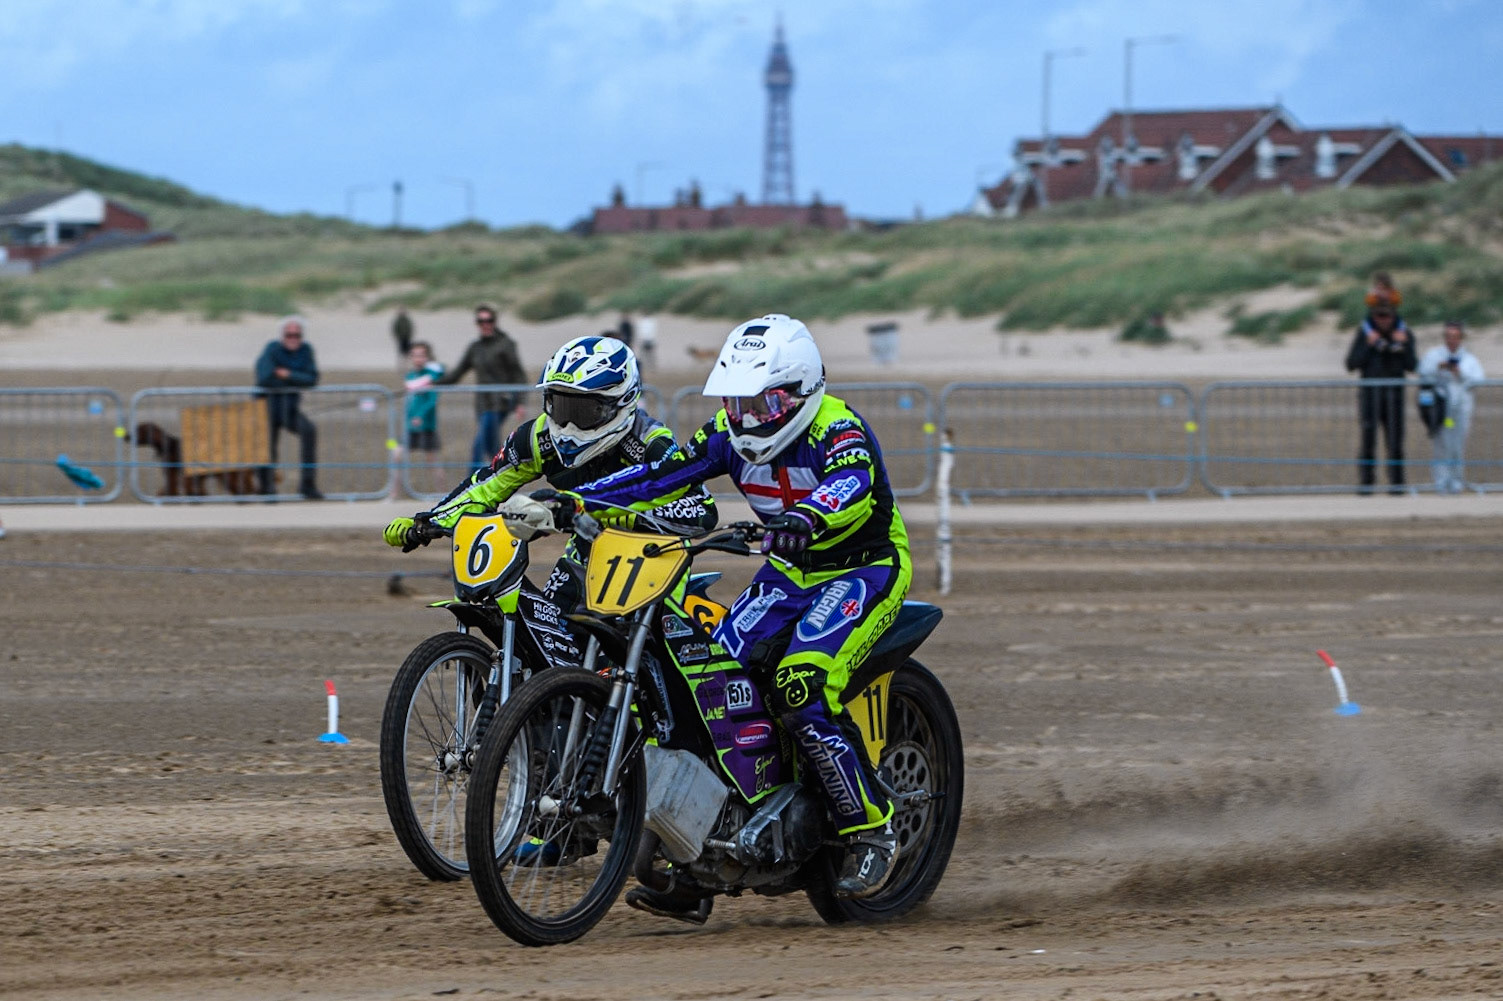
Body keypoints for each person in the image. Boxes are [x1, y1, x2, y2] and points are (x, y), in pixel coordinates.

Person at [546, 314, 908, 910]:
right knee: (715, 683)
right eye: (735, 401)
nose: (745, 416)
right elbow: (658, 476)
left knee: (800, 684)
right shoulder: (725, 431)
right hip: (789, 573)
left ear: (799, 391)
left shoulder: (838, 427)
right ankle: (707, 857)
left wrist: (807, 517)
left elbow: (851, 483)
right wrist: (574, 500)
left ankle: (870, 826)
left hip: (862, 569)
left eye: (760, 402)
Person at [383, 335, 715, 613]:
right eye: (559, 405)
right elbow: (486, 485)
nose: (567, 424)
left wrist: (625, 516)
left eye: (583, 410)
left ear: (621, 402)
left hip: (653, 553)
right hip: (586, 547)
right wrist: (427, 522)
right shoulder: (537, 437)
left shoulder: (651, 444)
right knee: (553, 625)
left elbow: (701, 509)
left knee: (643, 638)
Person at [436, 304, 528, 467]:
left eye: (489, 320)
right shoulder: (475, 348)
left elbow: (518, 373)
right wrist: (432, 383)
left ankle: (472, 481)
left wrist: (520, 401)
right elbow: (457, 373)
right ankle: (502, 474)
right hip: (482, 404)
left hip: (500, 403)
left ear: (494, 322)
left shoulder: (506, 344)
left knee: (479, 447)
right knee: (491, 447)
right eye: (481, 321)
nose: (485, 324)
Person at [1344, 286, 1416, 494]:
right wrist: (1368, 345)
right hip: (1370, 397)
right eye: (1379, 316)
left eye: (1387, 316)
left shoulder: (1404, 333)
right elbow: (1351, 364)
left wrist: (1403, 346)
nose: (1383, 320)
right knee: (1368, 440)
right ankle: (1366, 483)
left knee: (1395, 442)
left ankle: (1397, 484)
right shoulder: (1365, 333)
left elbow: (1412, 365)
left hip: (1394, 397)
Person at [254, 315, 323, 500]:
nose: (293, 338)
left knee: (309, 431)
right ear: (282, 335)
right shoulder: (272, 349)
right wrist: (295, 379)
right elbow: (264, 378)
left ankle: (307, 485)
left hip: (290, 408)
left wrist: (287, 374)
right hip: (267, 407)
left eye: (297, 335)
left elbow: (312, 378)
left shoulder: (306, 350)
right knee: (267, 447)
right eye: (289, 335)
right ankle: (266, 488)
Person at [1418, 321, 1486, 494]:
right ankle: (1441, 482)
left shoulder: (1469, 359)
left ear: (1461, 338)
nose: (1451, 340)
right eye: (1448, 336)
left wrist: (1459, 372)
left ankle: (1456, 482)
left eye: (1455, 336)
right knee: (1441, 444)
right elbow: (1423, 371)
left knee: (1457, 445)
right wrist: (1438, 367)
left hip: (1461, 410)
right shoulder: (1435, 355)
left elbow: (1478, 379)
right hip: (1442, 409)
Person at [402, 341, 446, 494]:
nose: (417, 358)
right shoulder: (410, 376)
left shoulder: (431, 375)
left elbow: (432, 400)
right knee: (396, 455)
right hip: (410, 427)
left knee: (432, 461)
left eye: (421, 355)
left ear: (427, 357)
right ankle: (393, 493)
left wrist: (420, 416)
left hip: (426, 426)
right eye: (415, 355)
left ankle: (442, 493)